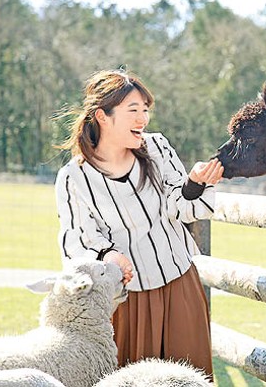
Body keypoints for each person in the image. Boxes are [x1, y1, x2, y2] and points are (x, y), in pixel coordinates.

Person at [54, 69, 223, 378]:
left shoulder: (157, 147)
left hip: (179, 286)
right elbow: (77, 242)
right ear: (103, 116)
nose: (143, 119)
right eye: (133, 110)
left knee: (190, 381)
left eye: (145, 110)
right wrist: (108, 256)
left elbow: (181, 205)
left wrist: (194, 183)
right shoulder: (73, 177)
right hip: (124, 302)